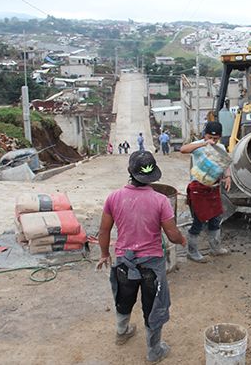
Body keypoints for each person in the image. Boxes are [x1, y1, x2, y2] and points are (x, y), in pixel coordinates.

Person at [96, 151, 186, 363]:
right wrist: (182, 240)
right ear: (153, 175)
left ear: (130, 172)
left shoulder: (114, 197)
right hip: (151, 266)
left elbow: (103, 230)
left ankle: (122, 331)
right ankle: (154, 351)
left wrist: (103, 253)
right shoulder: (160, 200)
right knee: (153, 306)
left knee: (123, 299)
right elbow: (172, 234)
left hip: (123, 264)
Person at [180, 121, 231, 263]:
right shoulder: (198, 146)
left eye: (216, 139)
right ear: (205, 135)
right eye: (210, 137)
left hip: (213, 188)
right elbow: (183, 149)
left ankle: (215, 247)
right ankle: (192, 251)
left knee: (216, 218)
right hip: (198, 188)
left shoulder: (220, 147)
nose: (213, 141)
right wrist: (204, 143)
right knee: (199, 221)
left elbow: (225, 162)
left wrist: (227, 176)